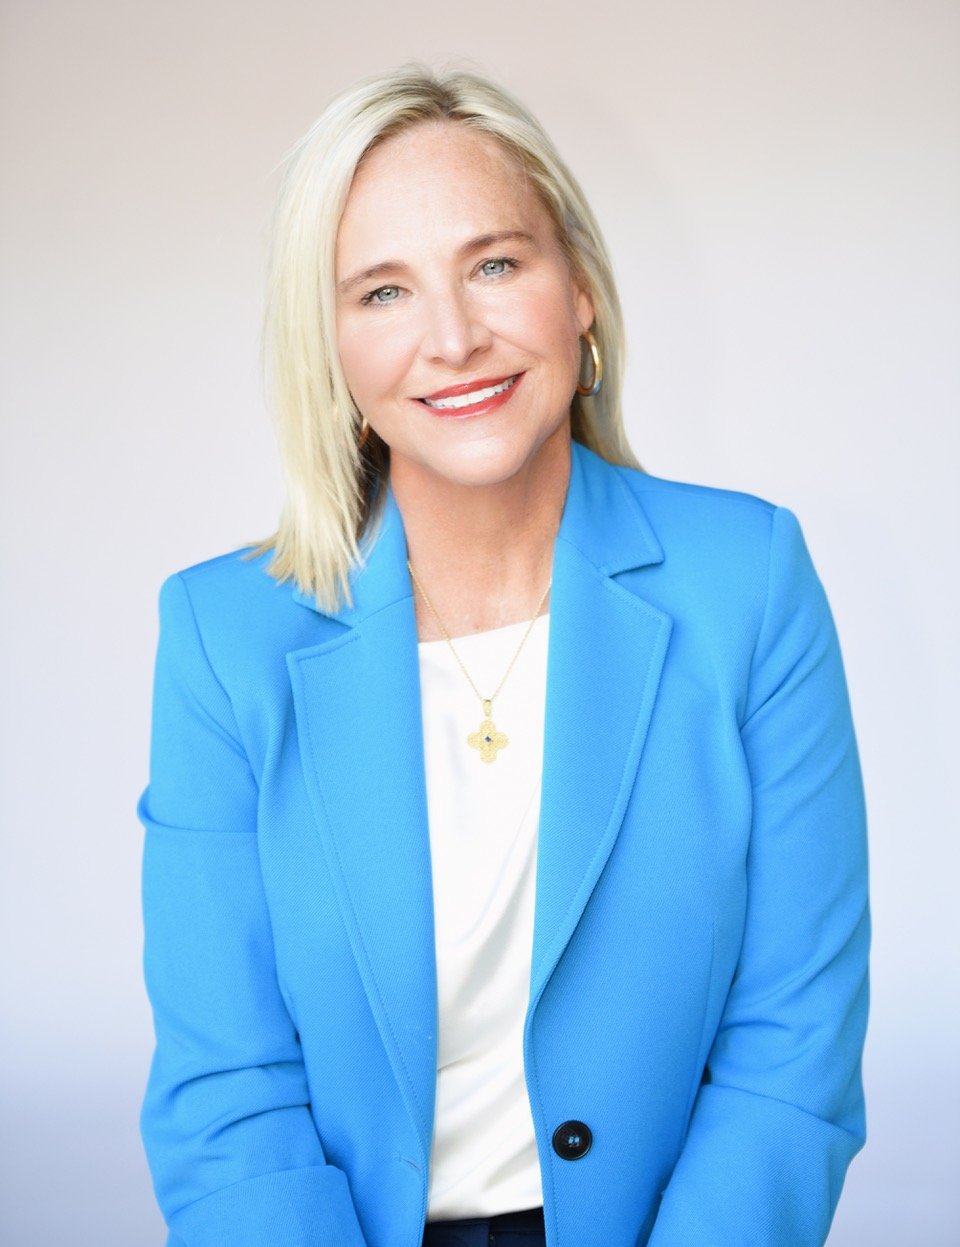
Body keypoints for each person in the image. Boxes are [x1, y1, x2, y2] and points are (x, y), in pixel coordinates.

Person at [137, 66, 869, 1247]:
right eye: (382, 290)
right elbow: (229, 1091)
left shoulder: (750, 578)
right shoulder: (223, 637)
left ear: (577, 287)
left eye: (494, 264)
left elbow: (794, 1041)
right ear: (327, 346)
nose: (453, 337)